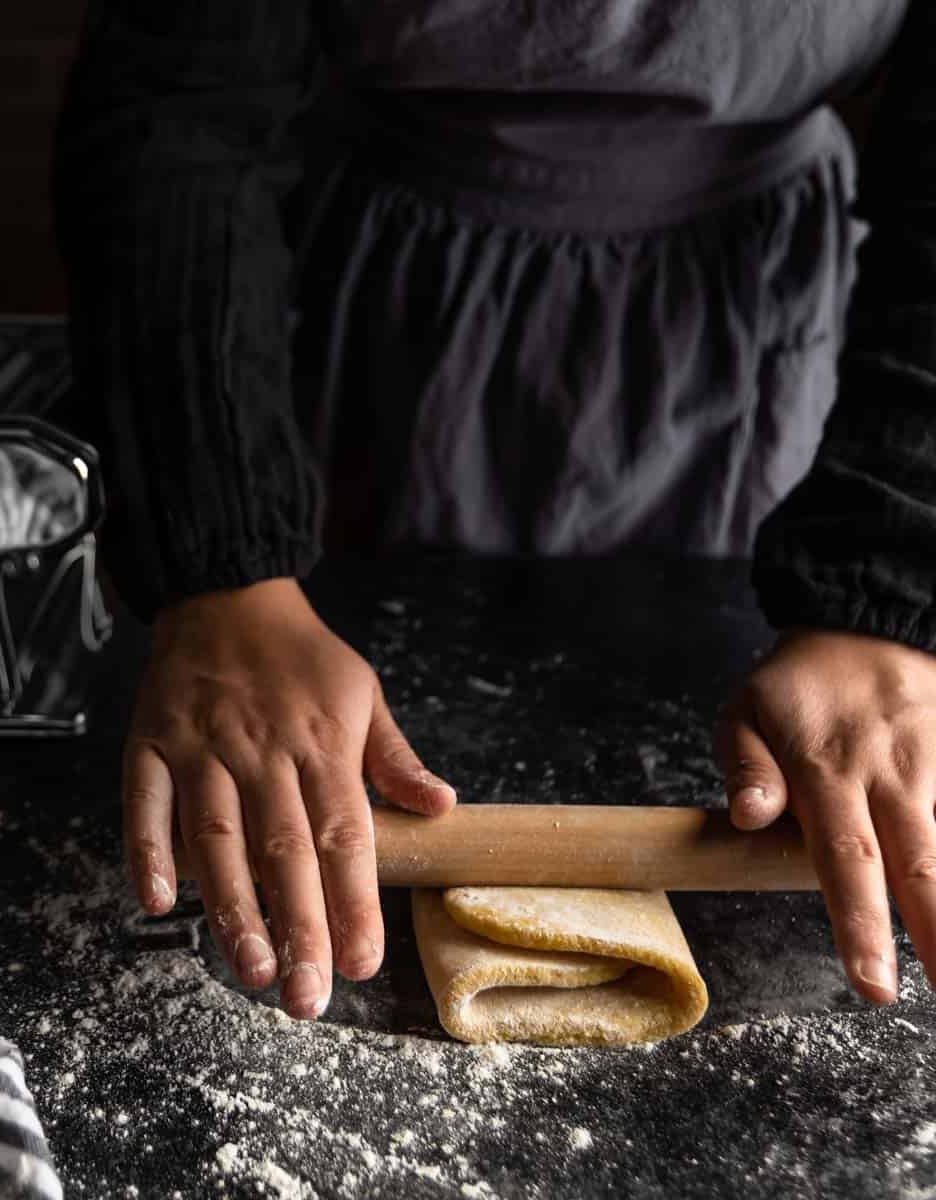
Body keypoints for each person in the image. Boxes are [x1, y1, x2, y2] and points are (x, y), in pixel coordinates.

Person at [52, 2, 936, 1022]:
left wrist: (889, 587)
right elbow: (178, 109)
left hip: (760, 326)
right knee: (349, 736)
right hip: (387, 307)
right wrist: (227, 574)